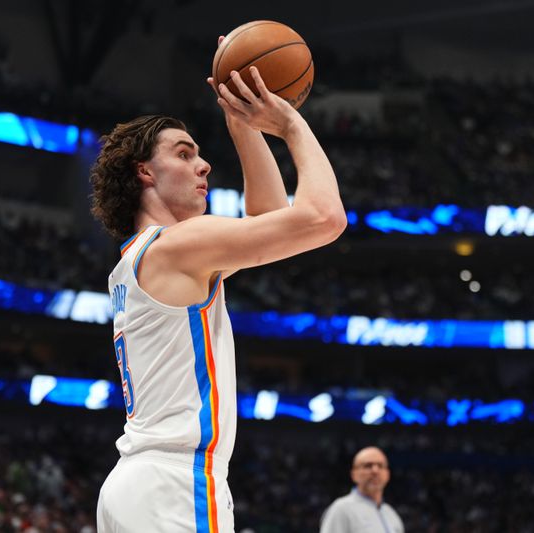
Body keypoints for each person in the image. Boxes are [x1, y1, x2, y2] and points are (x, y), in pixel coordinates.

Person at [89, 38, 347, 533]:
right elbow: (323, 218)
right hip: (175, 483)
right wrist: (290, 122)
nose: (203, 165)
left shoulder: (145, 258)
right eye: (184, 154)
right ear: (144, 171)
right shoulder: (177, 247)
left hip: (140, 486)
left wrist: (242, 124)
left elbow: (270, 224)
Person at [319, 446, 404, 533]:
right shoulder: (341, 509)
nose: (375, 470)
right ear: (354, 474)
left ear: (387, 474)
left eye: (380, 465)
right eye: (368, 466)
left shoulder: (392, 514)